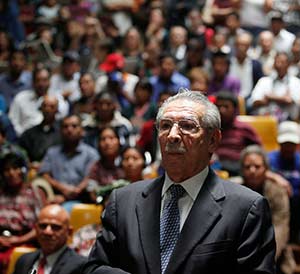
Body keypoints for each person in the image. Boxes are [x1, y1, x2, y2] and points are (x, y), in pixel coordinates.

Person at [82, 89, 276, 274]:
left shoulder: (247, 208)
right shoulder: (123, 201)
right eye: (165, 126)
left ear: (213, 140)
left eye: (187, 126)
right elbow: (95, 267)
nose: (172, 135)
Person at [233, 145, 295, 274]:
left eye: (257, 166)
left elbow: (281, 227)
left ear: (266, 169)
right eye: (247, 167)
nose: (252, 170)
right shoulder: (234, 190)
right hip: (239, 251)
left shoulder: (277, 191)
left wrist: (266, 258)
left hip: (275, 252)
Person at [39, 114, 99, 211]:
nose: (69, 130)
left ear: (82, 131)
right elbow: (44, 174)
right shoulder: (52, 152)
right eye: (65, 127)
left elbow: (90, 177)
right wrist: (62, 188)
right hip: (54, 197)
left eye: (74, 126)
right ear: (60, 131)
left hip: (81, 199)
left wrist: (70, 194)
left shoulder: (91, 154)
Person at [0, 152, 45, 274]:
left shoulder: (34, 193)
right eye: (7, 170)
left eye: (15, 168)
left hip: (25, 241)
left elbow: (41, 226)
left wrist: (18, 240)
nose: (11, 173)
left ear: (23, 171)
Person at [13, 204, 87, 274]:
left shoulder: (81, 266)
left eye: (55, 227)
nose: (47, 232)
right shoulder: (24, 260)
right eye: (43, 226)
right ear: (35, 228)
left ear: (69, 232)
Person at [214, 91, 262, 176]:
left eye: (226, 106)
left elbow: (258, 150)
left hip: (238, 169)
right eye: (218, 106)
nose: (221, 110)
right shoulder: (210, 129)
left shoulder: (244, 128)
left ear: (235, 109)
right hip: (215, 168)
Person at [268, 121, 300, 244]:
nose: (288, 148)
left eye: (291, 144)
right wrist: (277, 178)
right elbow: (261, 171)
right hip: (276, 205)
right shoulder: (270, 158)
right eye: (285, 144)